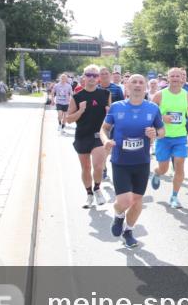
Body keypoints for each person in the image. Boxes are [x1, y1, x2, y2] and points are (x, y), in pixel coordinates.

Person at [100, 74, 165, 249]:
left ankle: (128, 231)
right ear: (127, 86)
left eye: (141, 82)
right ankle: (119, 215)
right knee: (125, 201)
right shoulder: (116, 107)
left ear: (146, 87)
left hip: (142, 161)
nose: (137, 85)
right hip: (120, 161)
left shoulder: (152, 108)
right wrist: (106, 141)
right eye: (134, 82)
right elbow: (104, 129)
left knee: (137, 200)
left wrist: (155, 134)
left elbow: (162, 131)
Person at [150, 67, 188, 209]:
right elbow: (149, 114)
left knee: (179, 164)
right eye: (173, 76)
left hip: (180, 136)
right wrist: (162, 117)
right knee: (164, 168)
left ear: (182, 78)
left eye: (178, 76)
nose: (176, 79)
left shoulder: (187, 95)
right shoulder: (159, 95)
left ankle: (174, 197)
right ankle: (157, 173)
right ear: (168, 78)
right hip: (163, 136)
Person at [67, 65, 110, 208]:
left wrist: (110, 113)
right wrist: (80, 111)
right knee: (85, 167)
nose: (92, 78)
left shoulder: (105, 94)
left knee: (98, 166)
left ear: (99, 78)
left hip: (99, 136)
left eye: (95, 75)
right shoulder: (77, 97)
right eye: (89, 75)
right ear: (83, 77)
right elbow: (68, 119)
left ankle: (97, 188)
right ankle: (89, 194)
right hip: (82, 135)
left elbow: (110, 117)